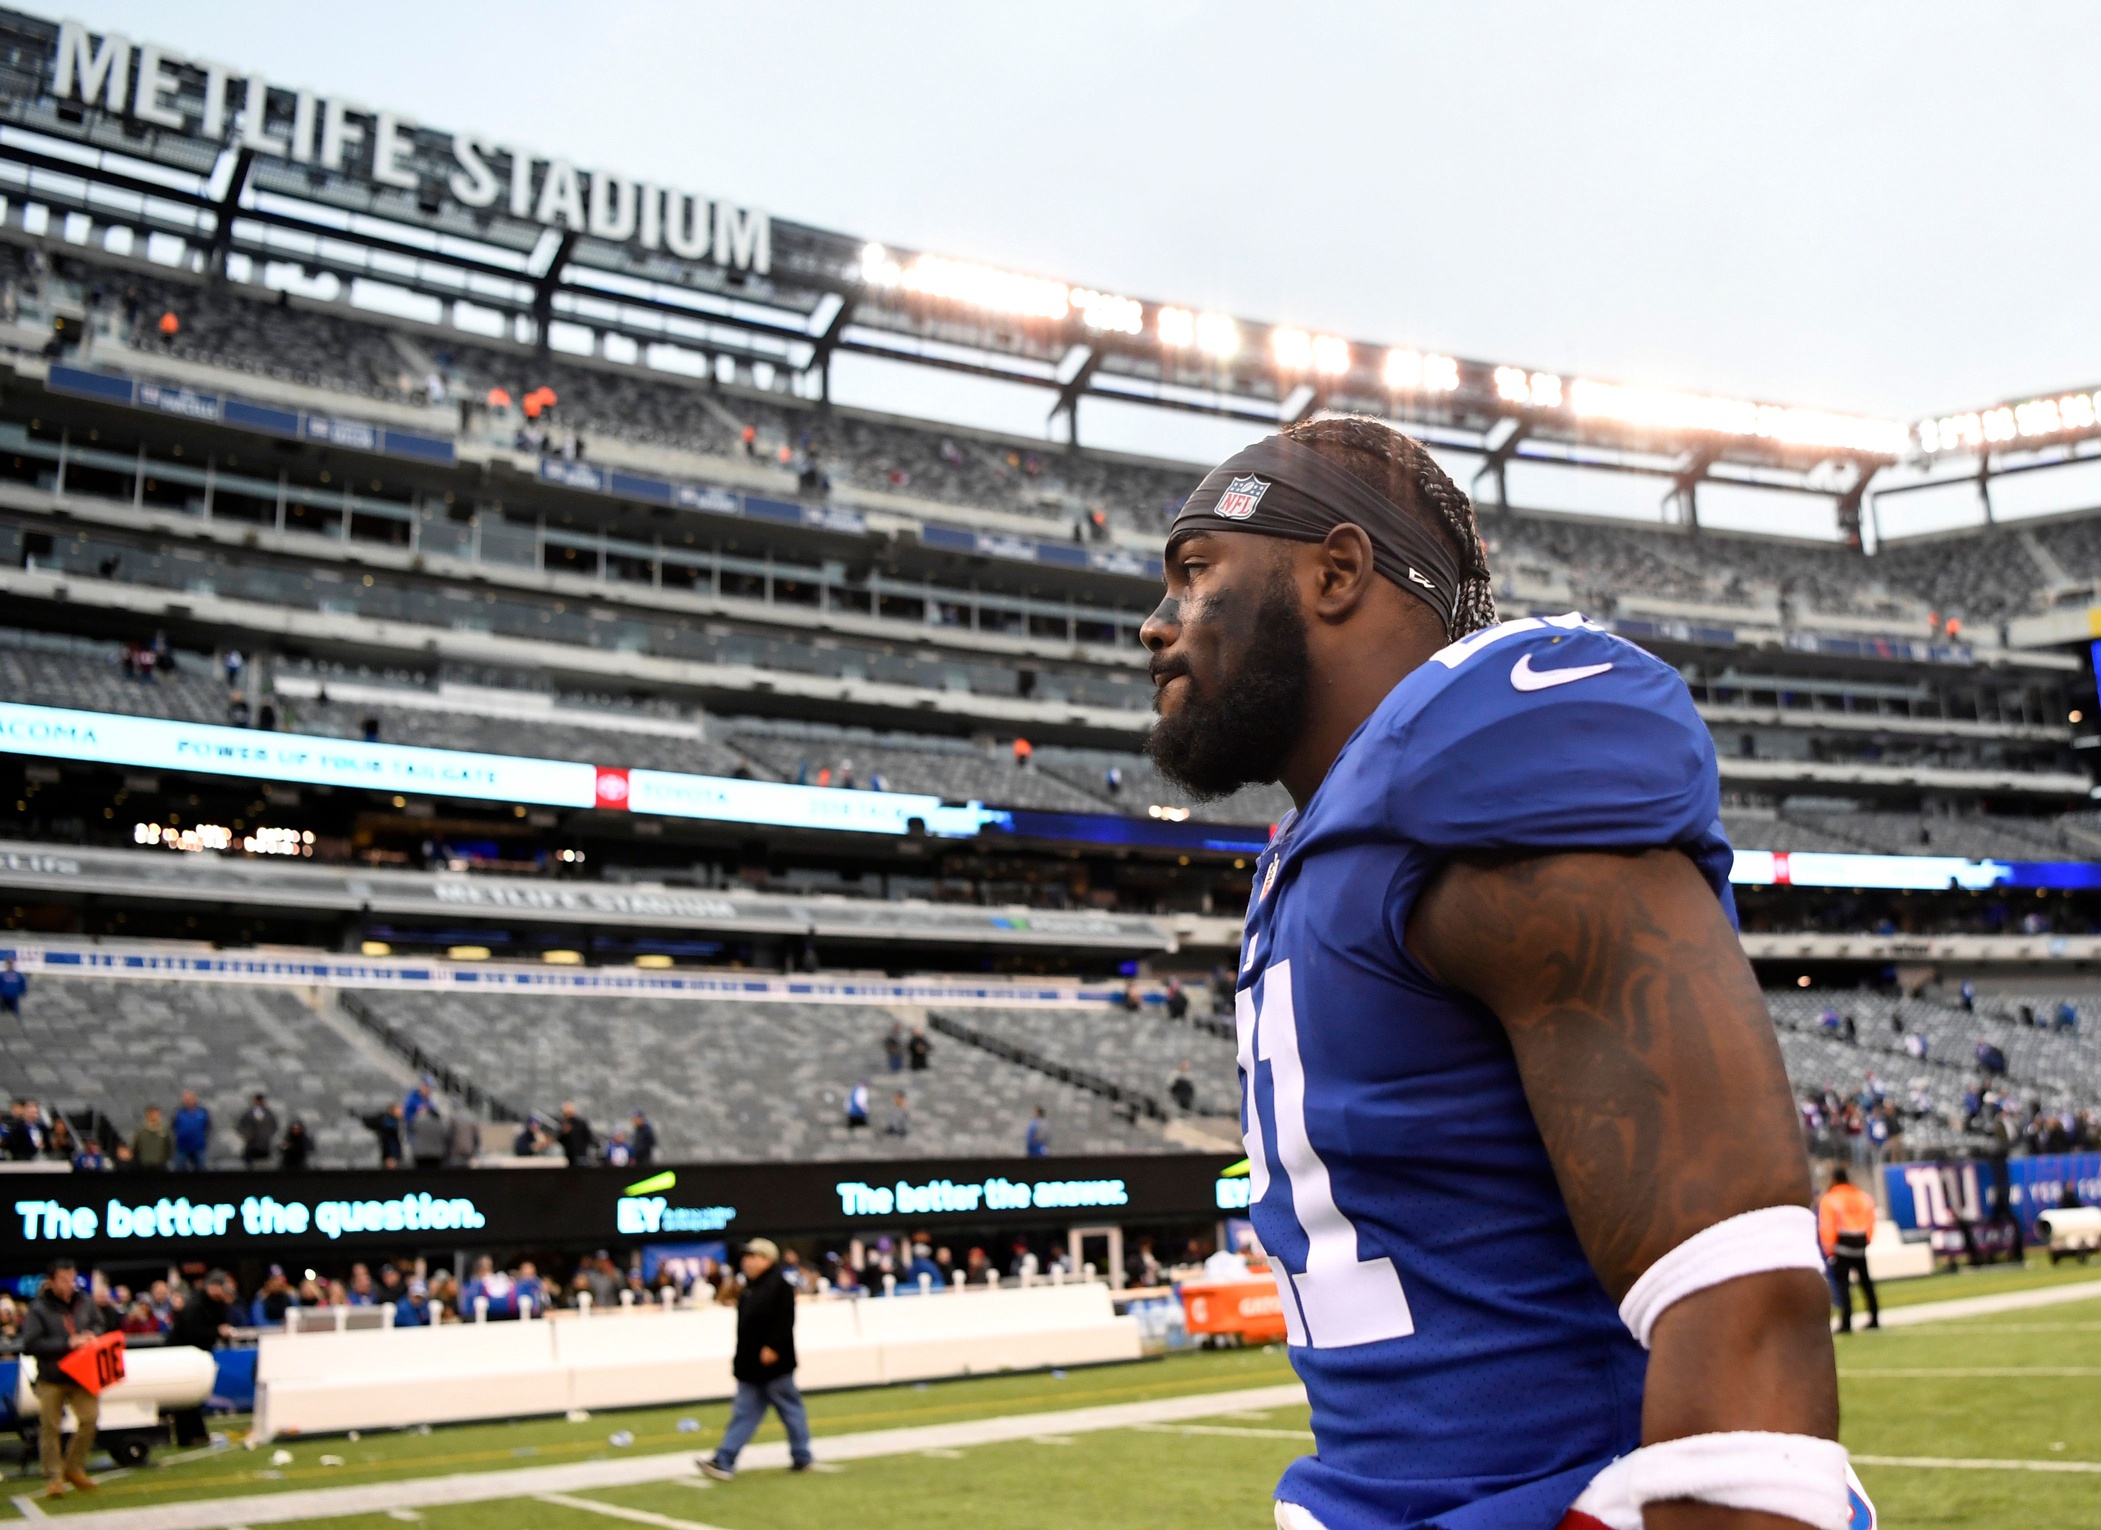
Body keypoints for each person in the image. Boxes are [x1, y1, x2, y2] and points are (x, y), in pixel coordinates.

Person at [1138, 418, 1857, 1530]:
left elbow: (1740, 1302)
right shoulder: (1324, 851)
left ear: (1336, 571)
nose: (1157, 623)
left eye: (1194, 574)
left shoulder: (1494, 763)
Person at [698, 1239, 812, 1479]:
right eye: (746, 1256)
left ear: (766, 1259)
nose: (746, 1261)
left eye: (753, 1256)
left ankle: (801, 1454)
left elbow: (785, 1321)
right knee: (746, 1412)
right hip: (751, 1365)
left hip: (772, 1364)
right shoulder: (751, 1286)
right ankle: (725, 1458)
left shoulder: (778, 1286)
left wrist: (774, 1347)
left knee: (788, 1409)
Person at [21, 1258, 104, 1498]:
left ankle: (74, 1467)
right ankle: (54, 1477)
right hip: (52, 1375)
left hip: (82, 1374)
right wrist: (67, 1344)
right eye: (64, 1279)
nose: (70, 1284)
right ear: (52, 1281)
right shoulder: (39, 1308)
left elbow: (99, 1324)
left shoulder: (84, 1302)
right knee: (51, 1426)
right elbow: (31, 1343)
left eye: (72, 1278)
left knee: (90, 1419)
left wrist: (92, 1335)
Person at [1819, 1167, 1880, 1333]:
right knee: (1866, 1283)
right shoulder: (1862, 1197)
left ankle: (1846, 1322)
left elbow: (1827, 1226)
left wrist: (1829, 1249)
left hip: (1841, 1246)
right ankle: (1874, 1317)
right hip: (1860, 1244)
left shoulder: (1830, 1199)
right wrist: (1866, 1238)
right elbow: (1871, 1220)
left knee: (1843, 1286)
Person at [171, 1090, 210, 1172]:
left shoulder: (203, 1112)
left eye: (190, 1098)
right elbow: (173, 1127)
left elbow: (209, 1127)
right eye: (185, 1099)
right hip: (181, 1148)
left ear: (195, 1099)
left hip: (199, 1148)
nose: (188, 1100)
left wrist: (203, 1138)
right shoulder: (177, 1112)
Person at [237, 1093, 278, 1169]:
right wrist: (247, 1135)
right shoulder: (247, 1114)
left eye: (261, 1101)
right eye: (257, 1101)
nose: (259, 1103)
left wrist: (267, 1134)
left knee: (264, 1165)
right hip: (251, 1144)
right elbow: (240, 1126)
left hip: (264, 1144)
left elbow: (274, 1126)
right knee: (250, 1166)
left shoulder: (269, 1114)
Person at [131, 1105, 172, 1171]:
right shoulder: (140, 1133)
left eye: (156, 1115)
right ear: (147, 1116)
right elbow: (135, 1149)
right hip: (143, 1166)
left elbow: (169, 1148)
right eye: (151, 1115)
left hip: (160, 1166)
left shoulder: (165, 1132)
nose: (154, 1117)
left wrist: (163, 1161)